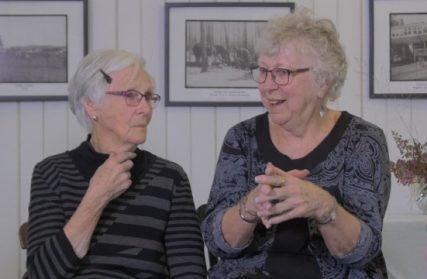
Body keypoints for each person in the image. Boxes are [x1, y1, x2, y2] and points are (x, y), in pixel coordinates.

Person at [202, 10, 391, 279]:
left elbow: (362, 252)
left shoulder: (363, 140)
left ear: (322, 82)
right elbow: (218, 243)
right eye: (263, 71)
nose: (267, 85)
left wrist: (325, 207)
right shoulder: (242, 137)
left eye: (282, 73)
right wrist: (251, 205)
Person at [26, 49, 207, 278]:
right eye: (131, 95)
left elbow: (190, 272)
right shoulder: (51, 173)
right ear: (92, 105)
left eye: (149, 96)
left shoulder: (170, 178)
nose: (146, 109)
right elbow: (40, 274)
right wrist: (96, 196)